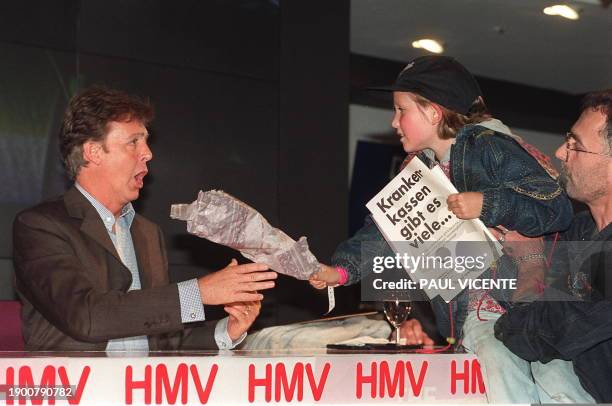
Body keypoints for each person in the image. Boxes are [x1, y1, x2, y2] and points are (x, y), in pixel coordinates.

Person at [309, 56, 579, 402]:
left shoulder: (491, 146)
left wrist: (487, 204)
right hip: (479, 315)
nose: (394, 121)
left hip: (535, 301)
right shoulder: (418, 171)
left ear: (434, 113)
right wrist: (342, 270)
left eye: (400, 110)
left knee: (556, 379)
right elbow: (382, 230)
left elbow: (555, 208)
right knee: (499, 365)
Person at [12, 86, 278, 352]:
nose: (148, 153)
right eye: (134, 142)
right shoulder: (40, 226)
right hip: (78, 391)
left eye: (146, 142)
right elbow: (86, 317)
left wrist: (227, 330)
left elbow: (164, 340)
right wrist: (197, 293)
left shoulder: (147, 233)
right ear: (93, 152)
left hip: (142, 392)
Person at [496, 89, 612, 402]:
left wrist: (531, 261)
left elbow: (532, 337)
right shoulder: (578, 230)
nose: (561, 152)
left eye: (577, 145)